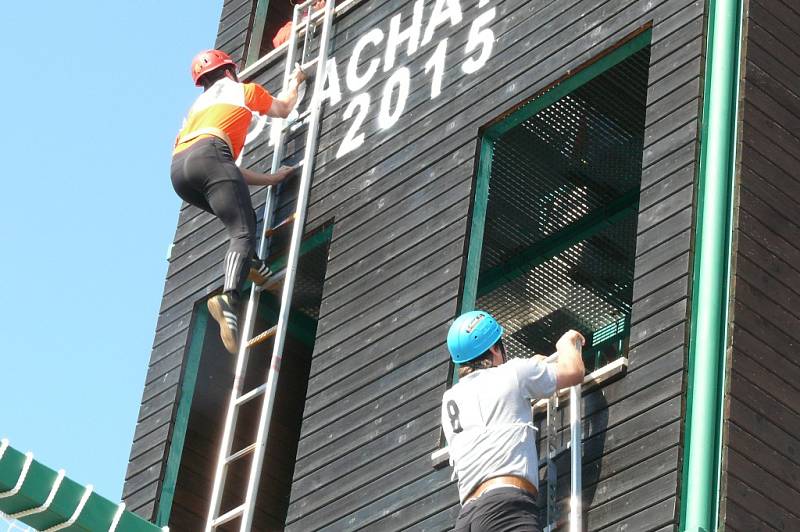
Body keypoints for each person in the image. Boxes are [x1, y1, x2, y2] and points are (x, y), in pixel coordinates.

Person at [171, 49, 306, 354]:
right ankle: (229, 297)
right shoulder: (242, 91)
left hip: (180, 172)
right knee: (243, 231)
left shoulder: (194, 112)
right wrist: (296, 81)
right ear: (230, 71)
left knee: (236, 221)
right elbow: (284, 108)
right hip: (211, 158)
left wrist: (270, 179)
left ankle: (253, 265)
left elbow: (223, 171)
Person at [441, 310, 586, 532]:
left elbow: (496, 415)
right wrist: (566, 344)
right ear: (494, 348)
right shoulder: (515, 373)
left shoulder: (451, 400)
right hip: (505, 509)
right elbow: (573, 371)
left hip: (467, 519)